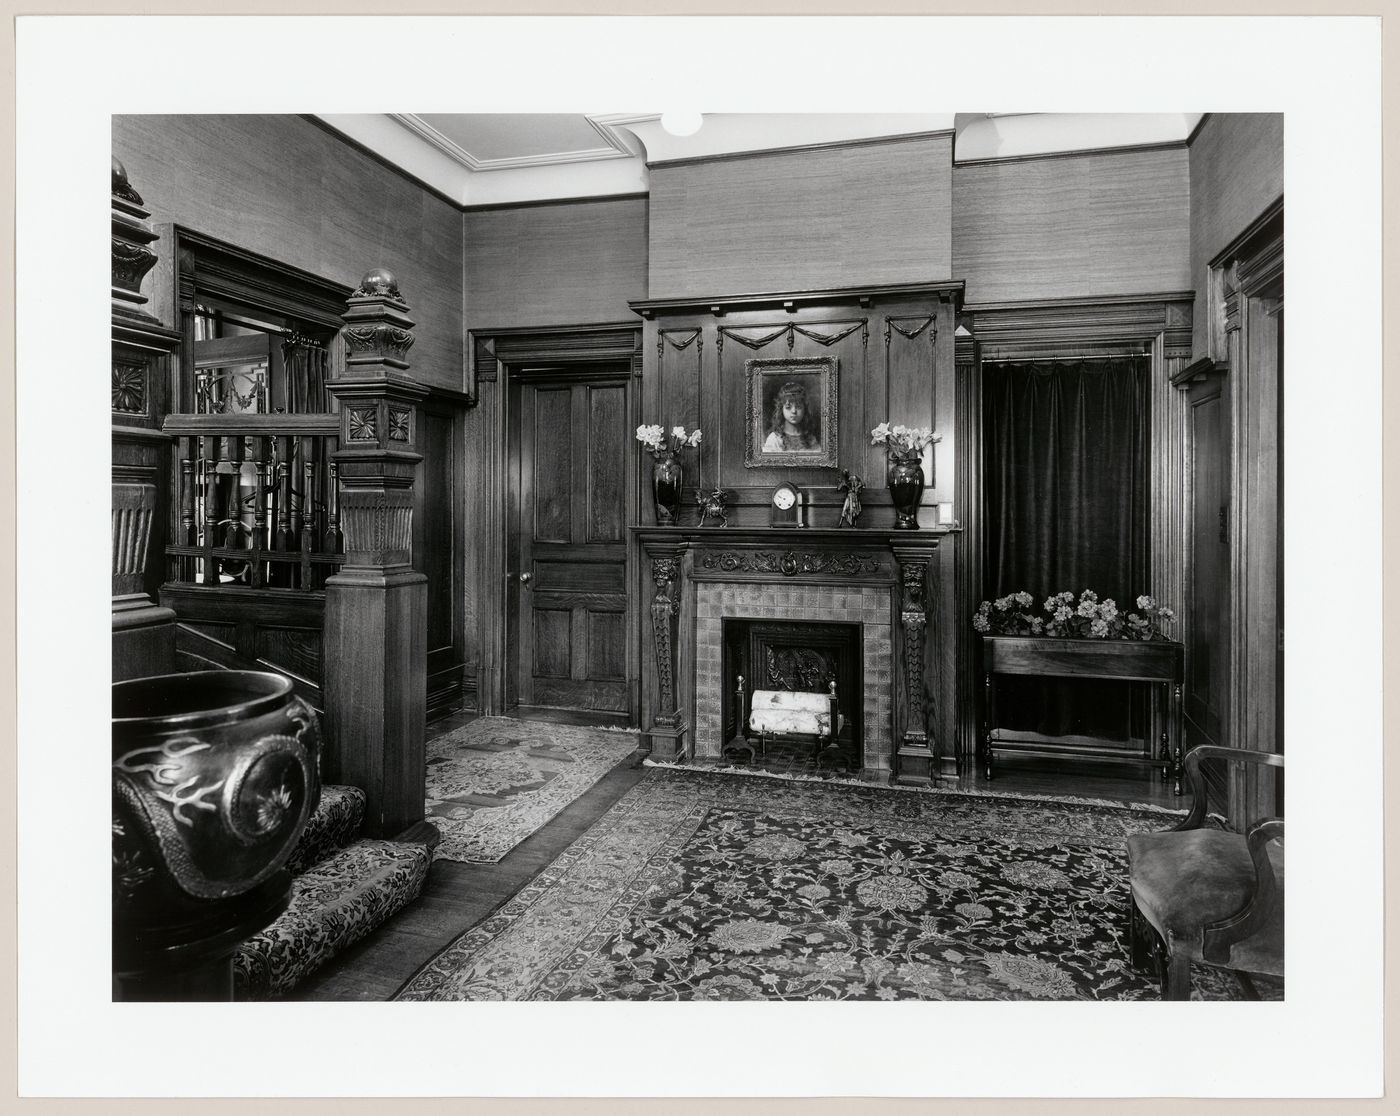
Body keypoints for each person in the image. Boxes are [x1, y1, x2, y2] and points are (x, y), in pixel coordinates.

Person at [761, 381, 820, 452]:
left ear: (804, 409)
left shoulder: (811, 439)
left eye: (798, 407)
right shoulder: (775, 439)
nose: (794, 411)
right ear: (781, 409)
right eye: (788, 407)